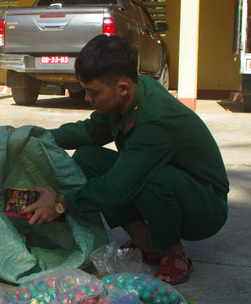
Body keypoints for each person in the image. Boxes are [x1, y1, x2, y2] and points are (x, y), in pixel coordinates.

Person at [21, 34, 229, 285]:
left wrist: (59, 203)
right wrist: (37, 137)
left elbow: (117, 186)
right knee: (88, 157)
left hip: (204, 207)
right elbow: (89, 132)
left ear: (122, 88)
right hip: (172, 185)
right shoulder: (127, 97)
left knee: (149, 177)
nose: (88, 99)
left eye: (93, 92)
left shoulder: (155, 119)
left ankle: (173, 252)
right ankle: (146, 242)